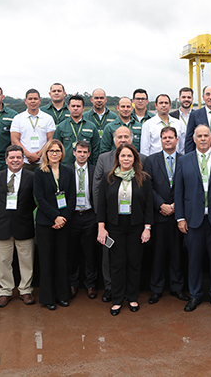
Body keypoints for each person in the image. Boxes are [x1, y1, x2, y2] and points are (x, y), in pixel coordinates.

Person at [175, 125, 211, 313]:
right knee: (194, 259)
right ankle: (195, 295)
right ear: (194, 138)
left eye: (206, 135)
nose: (203, 139)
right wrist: (180, 217)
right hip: (193, 220)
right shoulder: (184, 160)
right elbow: (179, 191)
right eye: (200, 136)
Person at [97, 143, 154, 315]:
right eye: (123, 156)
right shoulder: (109, 178)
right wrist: (101, 228)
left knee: (134, 264)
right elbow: (102, 205)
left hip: (136, 227)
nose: (126, 159)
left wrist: (147, 228)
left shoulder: (143, 178)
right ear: (118, 158)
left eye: (129, 156)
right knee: (117, 264)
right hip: (115, 227)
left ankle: (133, 297)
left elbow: (149, 205)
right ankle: (117, 299)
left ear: (134, 159)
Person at [144, 126, 190, 304]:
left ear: (177, 140)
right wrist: (161, 205)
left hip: (178, 215)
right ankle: (156, 289)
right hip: (159, 214)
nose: (168, 140)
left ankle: (177, 288)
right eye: (164, 138)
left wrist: (176, 205)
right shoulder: (151, 160)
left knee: (177, 253)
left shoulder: (185, 160)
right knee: (158, 254)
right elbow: (148, 186)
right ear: (161, 140)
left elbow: (188, 185)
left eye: (171, 137)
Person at [0, 145, 36, 307]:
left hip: (24, 224)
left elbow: (34, 202)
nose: (15, 160)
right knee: (3, 261)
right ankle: (6, 291)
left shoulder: (32, 177)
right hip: (2, 226)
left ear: (23, 160)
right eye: (12, 157)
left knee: (26, 261)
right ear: (6, 160)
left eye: (18, 157)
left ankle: (25, 290)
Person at [34, 139, 76, 310]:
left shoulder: (68, 172)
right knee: (46, 261)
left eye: (57, 151)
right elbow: (40, 199)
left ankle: (63, 295)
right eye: (51, 151)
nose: (54, 154)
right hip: (46, 223)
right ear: (46, 153)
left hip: (64, 223)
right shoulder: (39, 172)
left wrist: (63, 218)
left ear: (62, 153)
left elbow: (72, 197)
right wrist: (55, 217)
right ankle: (48, 298)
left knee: (62, 260)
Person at [67, 140, 99, 300]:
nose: (82, 155)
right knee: (72, 251)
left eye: (85, 152)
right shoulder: (66, 171)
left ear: (89, 154)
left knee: (89, 252)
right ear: (74, 152)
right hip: (72, 216)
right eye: (79, 151)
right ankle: (73, 283)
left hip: (89, 215)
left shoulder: (94, 171)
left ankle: (90, 284)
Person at [10, 89, 56, 171]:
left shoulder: (48, 118)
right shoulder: (18, 118)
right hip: (24, 161)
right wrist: (28, 155)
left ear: (39, 100)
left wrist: (39, 155)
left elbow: (51, 140)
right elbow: (14, 140)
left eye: (35, 99)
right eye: (30, 99)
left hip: (43, 161)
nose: (33, 101)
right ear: (25, 101)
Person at [53, 94, 99, 166]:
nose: (75, 108)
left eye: (78, 106)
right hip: (66, 166)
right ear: (68, 107)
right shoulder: (61, 126)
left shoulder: (91, 126)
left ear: (83, 108)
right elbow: (55, 147)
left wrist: (95, 166)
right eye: (73, 106)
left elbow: (96, 149)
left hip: (86, 166)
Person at [82, 88, 118, 155]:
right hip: (90, 156)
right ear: (92, 100)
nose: (99, 100)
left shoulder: (114, 117)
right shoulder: (84, 117)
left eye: (101, 98)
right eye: (96, 98)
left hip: (109, 155)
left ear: (106, 100)